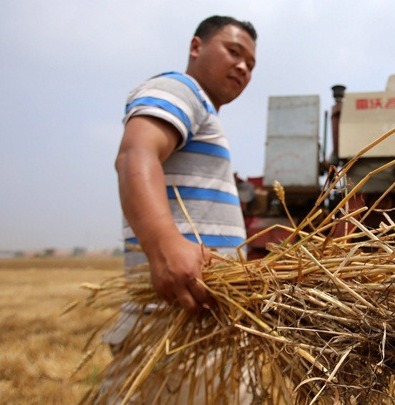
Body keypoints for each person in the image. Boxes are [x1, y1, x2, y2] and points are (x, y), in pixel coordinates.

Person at [98, 15, 257, 403]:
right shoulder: (180, 88)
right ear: (196, 46)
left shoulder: (202, 110)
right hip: (173, 332)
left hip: (199, 328)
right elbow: (136, 153)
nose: (242, 67)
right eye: (233, 52)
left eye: (251, 64)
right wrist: (164, 245)